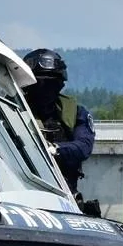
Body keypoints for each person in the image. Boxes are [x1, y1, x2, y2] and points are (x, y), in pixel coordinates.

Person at [22, 48, 99, 216]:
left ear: (60, 84)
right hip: (23, 194)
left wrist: (55, 149)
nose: (44, 88)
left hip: (65, 196)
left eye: (50, 83)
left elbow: (84, 146)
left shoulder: (75, 113)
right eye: (39, 82)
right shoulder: (11, 111)